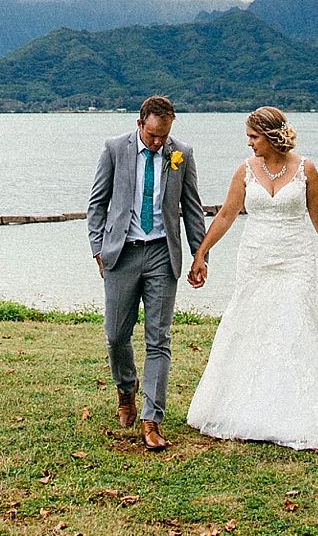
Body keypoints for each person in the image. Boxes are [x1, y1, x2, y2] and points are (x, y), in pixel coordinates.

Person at [184, 106, 318, 450]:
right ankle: (249, 407)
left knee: (298, 324)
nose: (249, 144)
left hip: (295, 258)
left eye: (254, 137)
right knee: (251, 324)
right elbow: (227, 214)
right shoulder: (244, 170)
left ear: (272, 137)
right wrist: (201, 253)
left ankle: (304, 411)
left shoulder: (306, 169)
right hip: (255, 257)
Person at [87, 94, 207, 451]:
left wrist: (199, 255)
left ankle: (151, 419)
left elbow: (192, 208)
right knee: (115, 335)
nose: (158, 143)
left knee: (159, 340)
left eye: (164, 137)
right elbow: (97, 204)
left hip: (161, 254)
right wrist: (98, 249)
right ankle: (126, 390)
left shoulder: (181, 153)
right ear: (140, 124)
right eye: (153, 136)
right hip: (121, 254)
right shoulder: (114, 149)